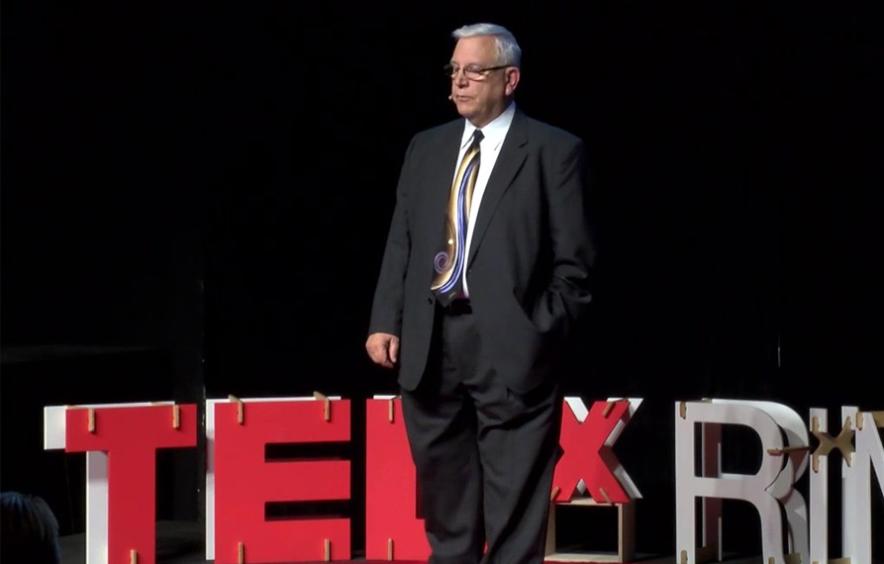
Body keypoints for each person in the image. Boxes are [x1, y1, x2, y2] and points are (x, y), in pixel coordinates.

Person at [366, 22, 594, 564]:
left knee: (514, 506)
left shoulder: (551, 151)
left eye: (475, 70)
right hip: (431, 340)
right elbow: (402, 240)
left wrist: (537, 330)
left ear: (509, 79)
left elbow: (575, 267)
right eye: (454, 70)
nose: (460, 82)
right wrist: (385, 319)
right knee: (446, 501)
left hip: (512, 348)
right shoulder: (427, 148)